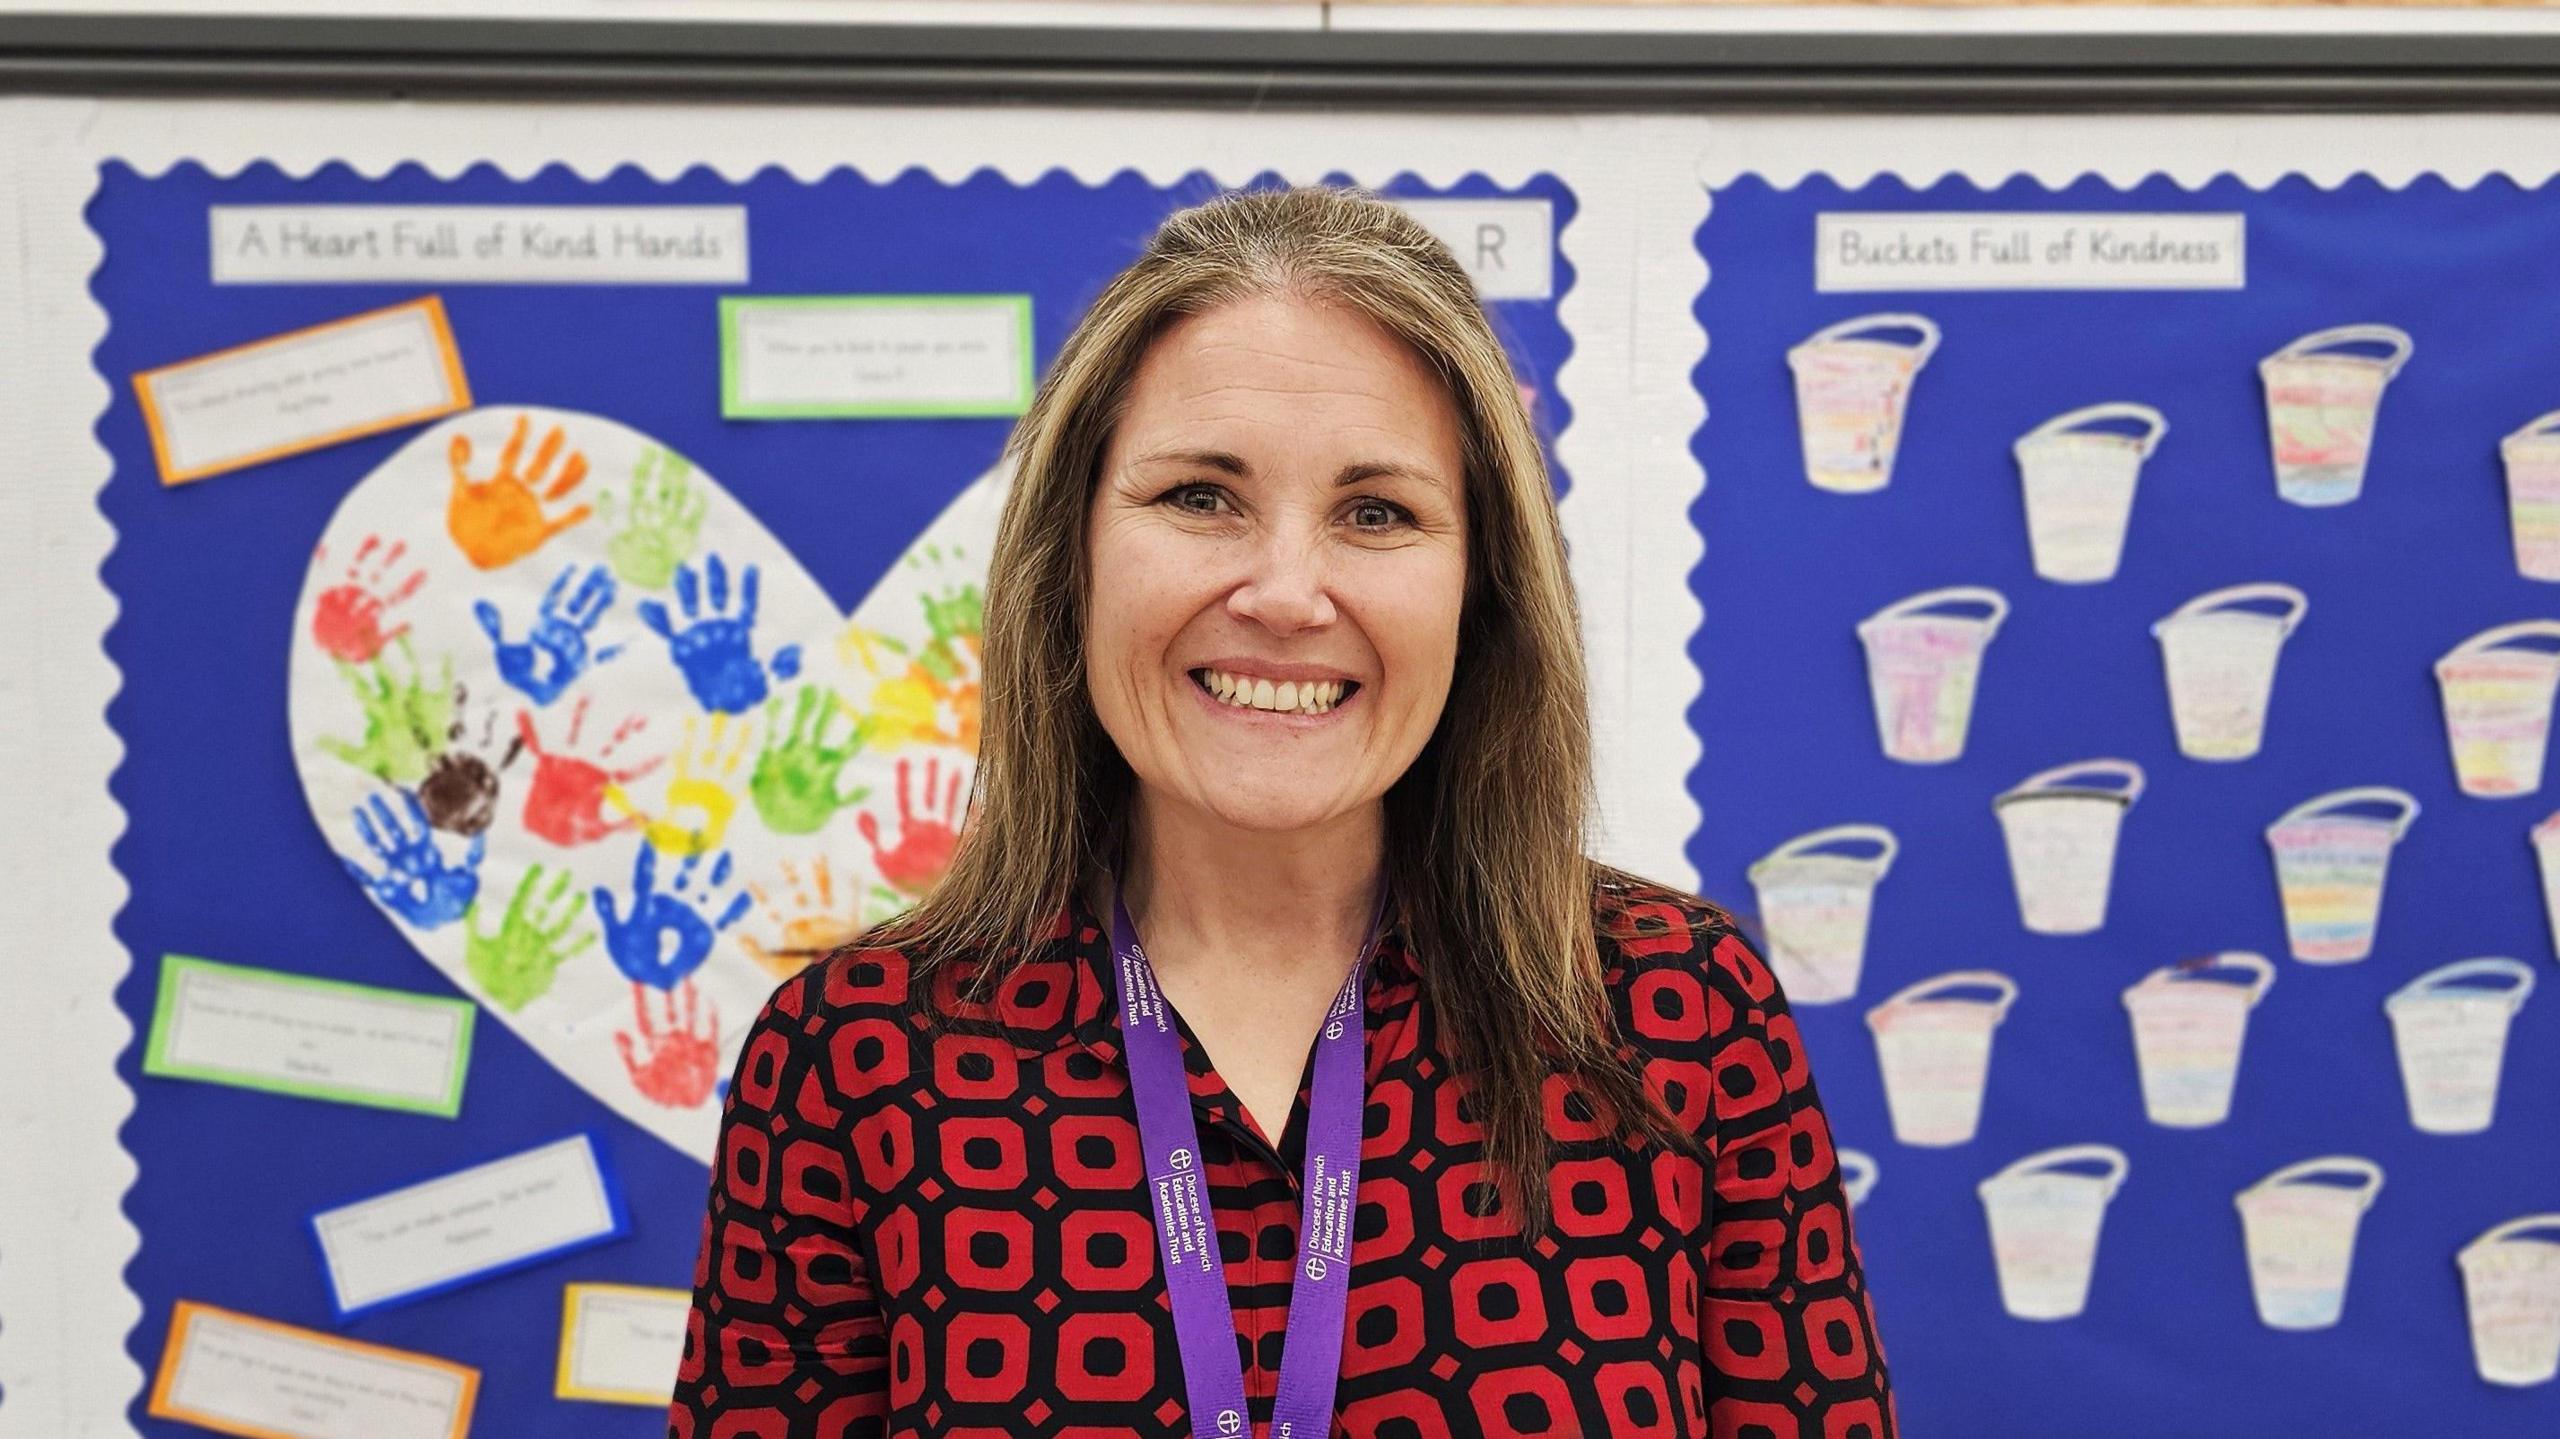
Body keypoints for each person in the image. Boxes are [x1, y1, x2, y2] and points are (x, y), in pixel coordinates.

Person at [668, 183, 1893, 1439]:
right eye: (1201, 495)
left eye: (1377, 512)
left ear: (1481, 591)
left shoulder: (1680, 1015)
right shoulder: (855, 1059)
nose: (1287, 590)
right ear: (1073, 552)